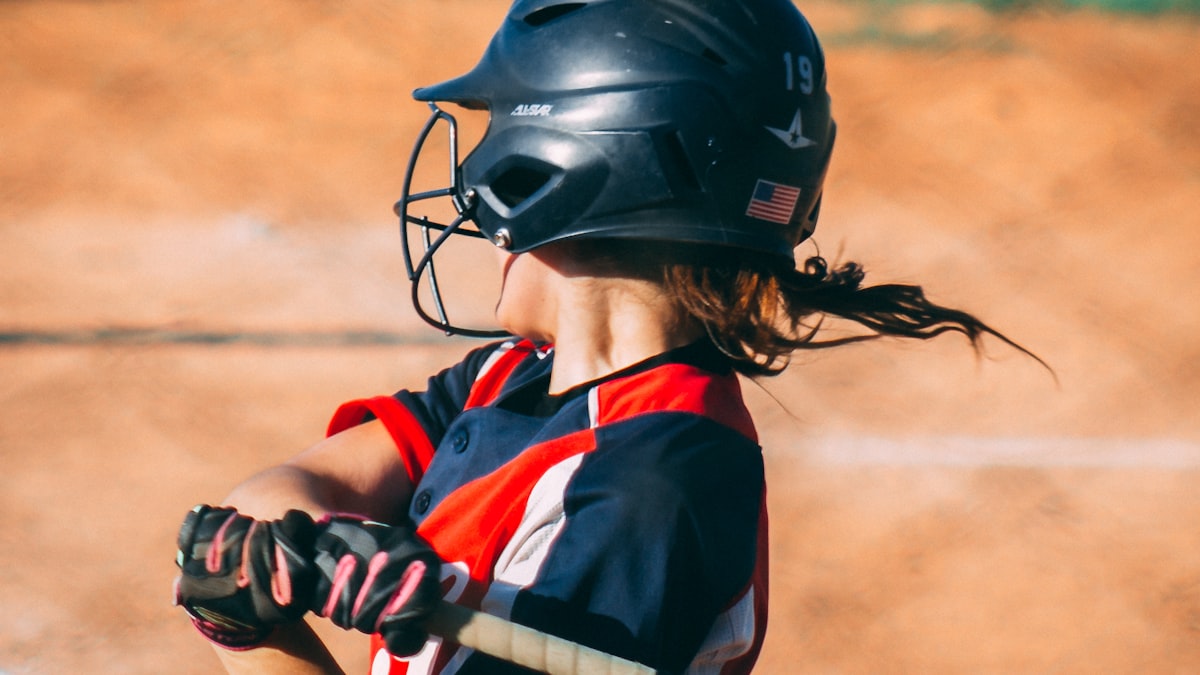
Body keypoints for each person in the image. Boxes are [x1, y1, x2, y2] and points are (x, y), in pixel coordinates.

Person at [173, 1, 1043, 673]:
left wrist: (250, 626)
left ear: (581, 171)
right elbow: (285, 486)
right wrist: (316, 543)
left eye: (499, 144)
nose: (474, 194)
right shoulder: (512, 378)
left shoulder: (649, 485)